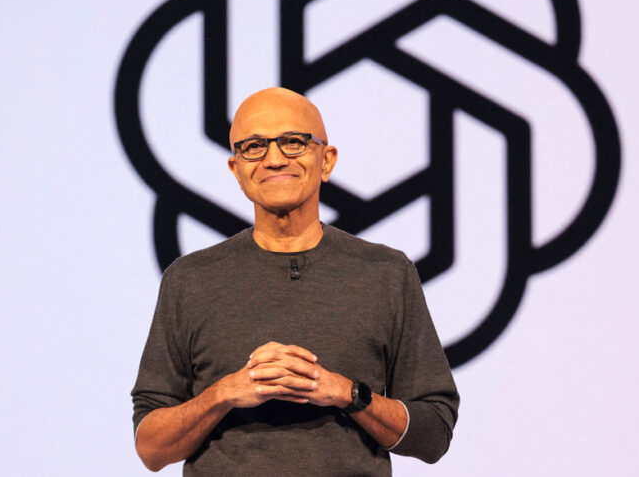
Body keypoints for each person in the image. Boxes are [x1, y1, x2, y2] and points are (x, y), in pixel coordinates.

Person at [131, 87, 458, 475]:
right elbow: (151, 449)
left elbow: (433, 434)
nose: (273, 159)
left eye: (292, 142)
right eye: (254, 146)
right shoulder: (190, 280)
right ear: (236, 170)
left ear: (327, 160)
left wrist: (346, 393)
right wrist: (223, 394)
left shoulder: (385, 272)